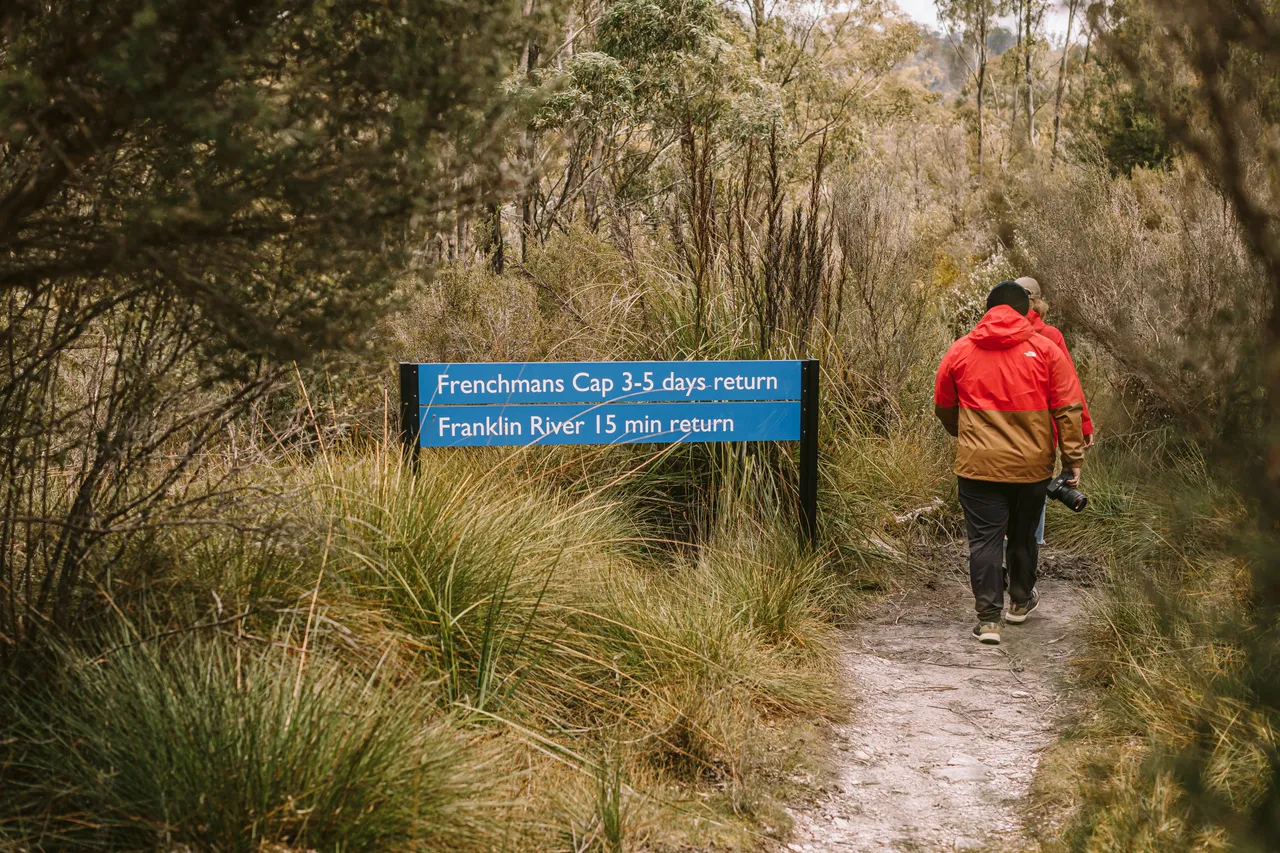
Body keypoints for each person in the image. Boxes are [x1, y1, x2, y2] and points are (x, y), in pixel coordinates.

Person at [934, 281, 1087, 645]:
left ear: (987, 310)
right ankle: (1019, 602)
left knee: (984, 541)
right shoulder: (1046, 350)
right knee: (1022, 536)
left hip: (977, 466)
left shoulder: (960, 350)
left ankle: (988, 621)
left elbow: (944, 405)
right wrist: (1072, 461)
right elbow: (1068, 409)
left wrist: (967, 435)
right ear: (1025, 311)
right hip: (1032, 468)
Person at [1015, 276, 1094, 547]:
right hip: (1041, 434)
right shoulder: (1050, 336)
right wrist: (1083, 425)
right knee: (1035, 495)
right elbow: (1068, 387)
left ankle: (999, 560)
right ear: (1038, 303)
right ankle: (1027, 564)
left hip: (997, 432)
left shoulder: (992, 333)